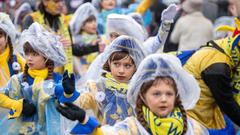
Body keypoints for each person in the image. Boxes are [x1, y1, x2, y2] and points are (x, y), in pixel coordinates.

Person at [56, 54, 209, 135]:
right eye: (156, 94)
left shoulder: (193, 129)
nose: (164, 99)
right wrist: (84, 118)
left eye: (169, 94)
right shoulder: (133, 127)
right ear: (142, 96)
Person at [0, 22, 66, 134]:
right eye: (27, 53)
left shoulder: (58, 80)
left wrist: (69, 93)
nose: (29, 58)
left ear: (47, 56)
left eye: (35, 54)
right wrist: (18, 105)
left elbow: (69, 103)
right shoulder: (18, 80)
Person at [182, 17, 240, 134]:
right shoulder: (218, 67)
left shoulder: (224, 47)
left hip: (199, 115)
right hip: (193, 121)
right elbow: (229, 105)